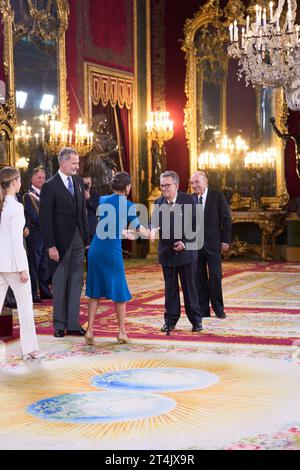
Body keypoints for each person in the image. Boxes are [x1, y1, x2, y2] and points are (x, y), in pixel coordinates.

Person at [85, 172, 151, 345]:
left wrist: (122, 232)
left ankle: (90, 330)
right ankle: (121, 332)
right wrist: (150, 234)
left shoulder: (103, 200)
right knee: (120, 293)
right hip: (111, 251)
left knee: (95, 291)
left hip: (95, 248)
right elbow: (138, 227)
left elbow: (105, 225)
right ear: (127, 187)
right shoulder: (128, 205)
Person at [39, 148, 90, 338]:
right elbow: (45, 219)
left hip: (78, 239)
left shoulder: (77, 181)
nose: (77, 166)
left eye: (77, 162)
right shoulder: (50, 186)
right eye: (74, 163)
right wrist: (50, 246)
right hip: (59, 243)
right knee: (60, 283)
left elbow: (82, 212)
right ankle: (59, 325)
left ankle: (73, 323)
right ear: (63, 163)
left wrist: (87, 240)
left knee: (77, 281)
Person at [151, 170, 203, 333]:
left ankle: (196, 321)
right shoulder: (159, 202)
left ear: (177, 185)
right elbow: (154, 223)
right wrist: (151, 230)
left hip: (186, 253)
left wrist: (185, 243)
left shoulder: (189, 200)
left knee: (189, 288)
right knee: (170, 290)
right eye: (162, 186)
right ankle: (170, 321)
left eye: (167, 185)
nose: (164, 189)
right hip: (167, 253)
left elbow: (197, 225)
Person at [0, 167, 39, 359]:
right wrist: (24, 268)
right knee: (25, 307)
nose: (21, 183)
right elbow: (16, 242)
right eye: (19, 180)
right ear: (14, 182)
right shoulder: (16, 207)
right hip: (15, 265)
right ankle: (30, 349)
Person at [191, 171, 232, 318]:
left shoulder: (217, 196)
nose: (194, 185)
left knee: (215, 277)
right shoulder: (191, 199)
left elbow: (226, 219)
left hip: (213, 244)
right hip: (195, 245)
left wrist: (225, 240)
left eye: (197, 182)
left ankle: (219, 309)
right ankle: (203, 310)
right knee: (199, 278)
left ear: (205, 182)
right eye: (192, 183)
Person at [23, 167, 53, 303]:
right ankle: (33, 293)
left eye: (43, 177)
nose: (42, 180)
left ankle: (45, 291)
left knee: (44, 264)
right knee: (34, 264)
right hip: (35, 234)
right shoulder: (28, 196)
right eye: (39, 177)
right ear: (32, 178)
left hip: (45, 234)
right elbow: (33, 215)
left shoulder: (45, 194)